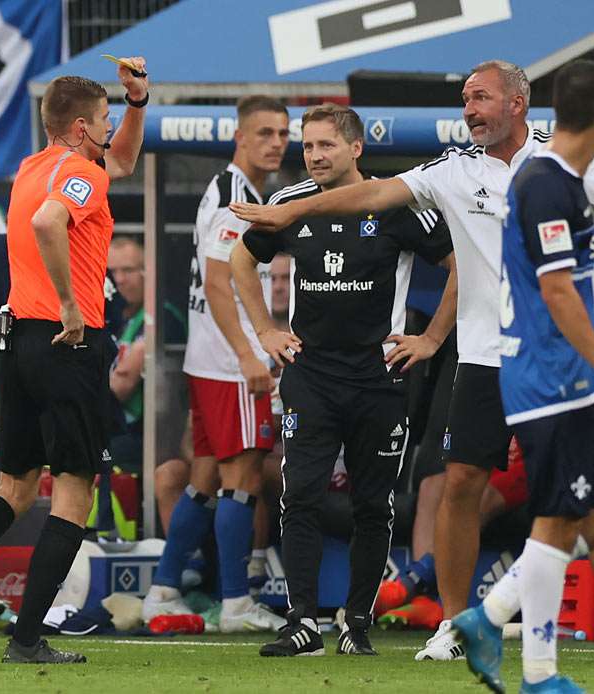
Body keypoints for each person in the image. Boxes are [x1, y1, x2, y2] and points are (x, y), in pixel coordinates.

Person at [230, 59, 594, 663]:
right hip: (485, 361)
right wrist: (294, 211)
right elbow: (378, 192)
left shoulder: (564, 162)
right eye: (464, 99)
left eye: (479, 97)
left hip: (562, 364)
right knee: (460, 485)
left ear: (517, 102)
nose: (468, 110)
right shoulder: (452, 169)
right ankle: (454, 627)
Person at [232, 103, 457, 657]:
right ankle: (303, 622)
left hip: (378, 380)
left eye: (325, 145)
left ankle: (357, 621)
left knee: (372, 505)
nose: (313, 156)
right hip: (311, 375)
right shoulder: (288, 204)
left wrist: (430, 340)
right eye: (307, 146)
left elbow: (464, 266)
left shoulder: (398, 202)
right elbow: (238, 259)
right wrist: (265, 329)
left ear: (356, 149)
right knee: (301, 495)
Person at [451, 57, 594, 694]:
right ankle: (534, 669)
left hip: (554, 376)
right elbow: (557, 290)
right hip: (553, 377)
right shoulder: (548, 184)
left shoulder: (552, 178)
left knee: (583, 513)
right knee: (558, 518)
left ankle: (493, 625)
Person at [0, 60, 149, 664]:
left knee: (15, 486)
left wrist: (138, 103)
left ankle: (26, 636)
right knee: (75, 492)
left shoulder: (35, 167)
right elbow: (50, 221)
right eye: (106, 119)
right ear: (81, 127)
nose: (111, 129)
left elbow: (124, 162)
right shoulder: (79, 175)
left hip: (13, 339)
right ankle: (27, 641)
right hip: (65, 343)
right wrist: (71, 307)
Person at [142, 95, 289, 633]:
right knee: (243, 476)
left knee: (203, 479)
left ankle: (161, 590)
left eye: (282, 133)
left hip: (210, 358)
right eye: (265, 132)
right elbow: (219, 278)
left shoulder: (241, 192)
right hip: (231, 361)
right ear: (240, 137)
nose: (276, 142)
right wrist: (250, 353)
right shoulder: (233, 195)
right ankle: (236, 603)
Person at [105, 236, 186, 474]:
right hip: (113, 429)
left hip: (150, 440)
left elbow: (121, 385)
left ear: (147, 273)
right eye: (112, 271)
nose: (119, 279)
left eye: (128, 270)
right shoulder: (109, 318)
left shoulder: (161, 318)